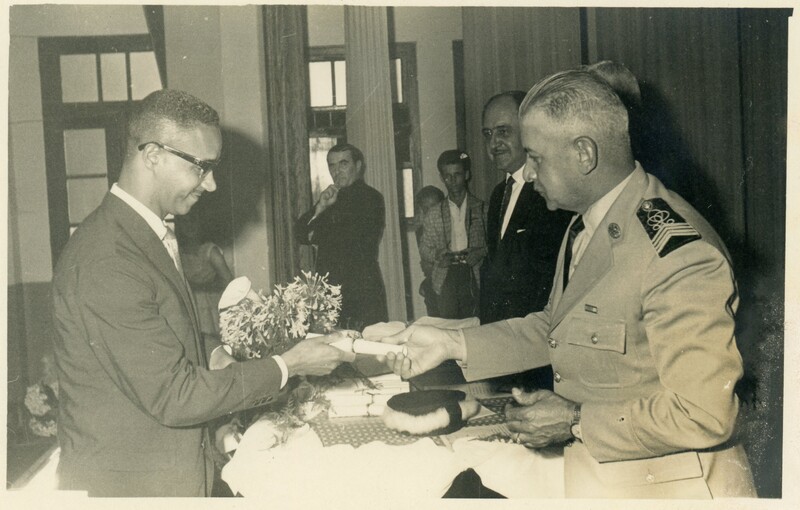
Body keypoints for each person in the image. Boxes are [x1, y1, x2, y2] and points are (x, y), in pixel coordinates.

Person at [380, 70, 756, 498]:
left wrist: (575, 419)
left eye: (535, 158)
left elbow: (704, 412)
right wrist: (451, 344)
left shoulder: (675, 252)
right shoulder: (585, 225)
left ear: (584, 153)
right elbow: (554, 328)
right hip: (601, 480)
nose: (528, 172)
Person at [51, 89, 356, 497]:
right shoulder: (107, 256)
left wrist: (212, 353)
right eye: (202, 167)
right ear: (153, 155)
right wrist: (289, 364)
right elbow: (174, 395)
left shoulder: (141, 234)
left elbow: (159, 337)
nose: (211, 184)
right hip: (131, 490)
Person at [479, 91, 572, 391]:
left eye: (503, 132)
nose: (494, 143)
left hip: (537, 358)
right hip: (502, 351)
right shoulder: (498, 195)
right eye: (488, 134)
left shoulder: (549, 192)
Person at [295, 143, 388, 330]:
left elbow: (351, 241)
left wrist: (318, 232)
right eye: (332, 166)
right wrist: (320, 207)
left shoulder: (371, 198)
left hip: (361, 290)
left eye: (343, 164)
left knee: (367, 343)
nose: (337, 171)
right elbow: (300, 234)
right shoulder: (329, 200)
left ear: (358, 166)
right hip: (329, 290)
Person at [418, 150, 487, 319]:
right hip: (446, 276)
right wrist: (438, 255)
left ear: (467, 175)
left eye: (457, 174)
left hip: (474, 274)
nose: (453, 181)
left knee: (475, 323)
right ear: (442, 178)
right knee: (448, 325)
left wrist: (480, 252)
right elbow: (424, 249)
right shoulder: (434, 213)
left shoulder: (483, 209)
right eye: (447, 176)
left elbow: (496, 244)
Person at [175, 212, 234, 337]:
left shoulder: (210, 251)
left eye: (193, 221)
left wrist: (205, 286)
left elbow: (229, 282)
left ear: (200, 224)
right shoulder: (177, 251)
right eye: (185, 222)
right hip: (188, 305)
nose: (189, 226)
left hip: (208, 305)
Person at [413, 185, 445, 316]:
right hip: (432, 280)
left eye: (434, 207)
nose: (430, 212)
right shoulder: (421, 230)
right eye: (425, 209)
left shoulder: (448, 226)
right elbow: (426, 263)